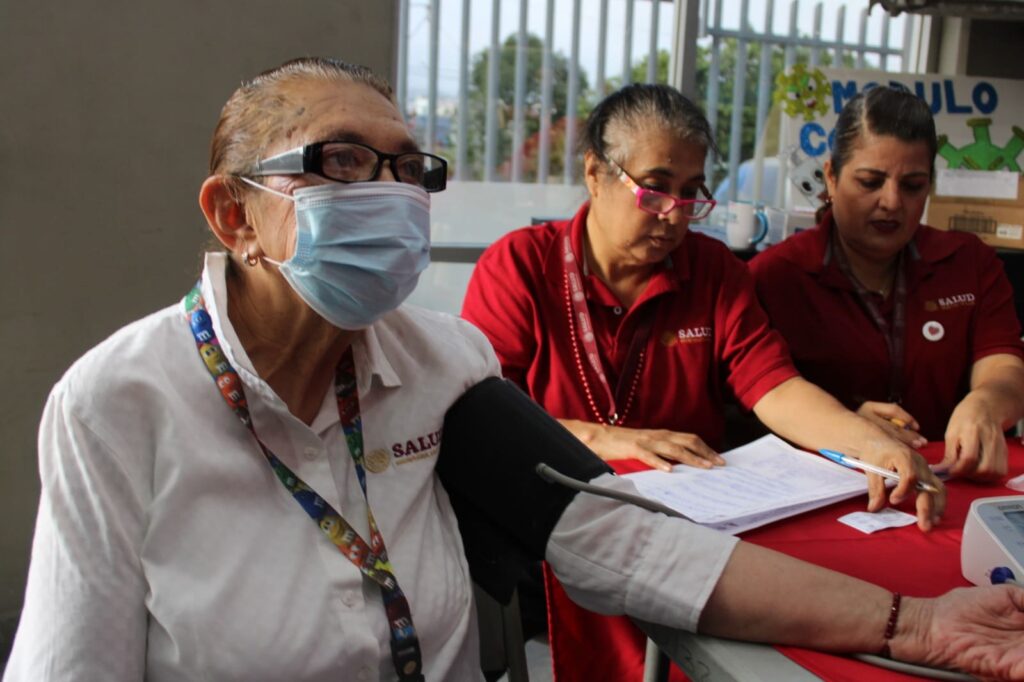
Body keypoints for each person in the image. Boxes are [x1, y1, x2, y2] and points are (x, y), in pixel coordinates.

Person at [4, 59, 1024, 682]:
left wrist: (915, 622)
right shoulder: (118, 406)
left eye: (412, 169)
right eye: (346, 165)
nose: (395, 197)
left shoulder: (437, 367)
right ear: (235, 217)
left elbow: (617, 537)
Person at [460, 83, 948, 681]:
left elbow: (775, 386)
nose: (674, 213)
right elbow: (482, 422)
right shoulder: (520, 267)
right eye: (656, 187)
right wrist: (610, 439)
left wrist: (873, 446)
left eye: (691, 194)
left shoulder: (712, 272)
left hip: (690, 531)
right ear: (594, 173)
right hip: (556, 533)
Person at [750, 86, 1024, 482]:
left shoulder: (969, 263)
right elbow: (753, 405)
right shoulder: (775, 277)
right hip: (830, 487)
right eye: (870, 182)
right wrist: (845, 427)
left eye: (912, 186)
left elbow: (1005, 370)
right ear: (831, 177)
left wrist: (986, 402)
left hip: (950, 478)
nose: (892, 202)